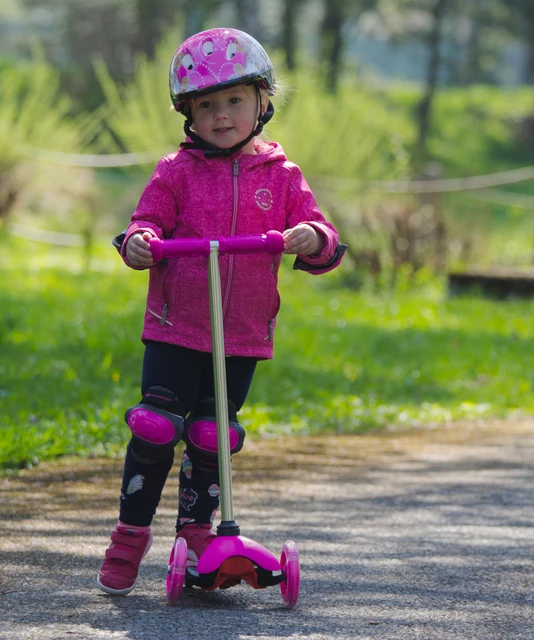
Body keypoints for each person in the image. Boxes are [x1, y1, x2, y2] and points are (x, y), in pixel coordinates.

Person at [97, 27, 346, 595]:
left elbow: (324, 235)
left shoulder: (282, 176)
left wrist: (310, 238)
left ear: (263, 102)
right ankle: (130, 535)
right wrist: (138, 241)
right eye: (207, 105)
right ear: (188, 114)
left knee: (213, 436)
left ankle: (196, 538)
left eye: (235, 100)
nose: (222, 115)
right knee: (157, 427)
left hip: (240, 334)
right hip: (176, 327)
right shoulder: (176, 170)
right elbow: (146, 222)